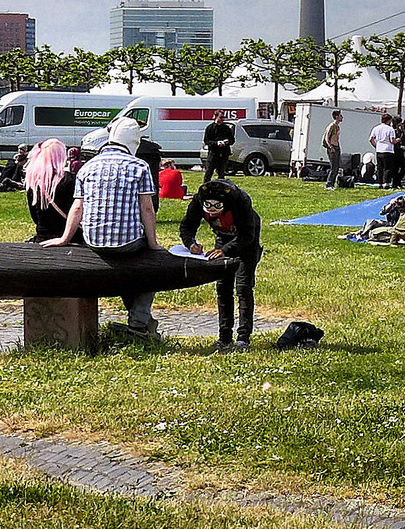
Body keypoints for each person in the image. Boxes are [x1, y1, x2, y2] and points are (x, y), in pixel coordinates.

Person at [43, 118, 161, 340]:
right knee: (151, 269)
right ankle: (139, 323)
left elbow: (77, 207)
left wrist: (64, 238)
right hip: (129, 242)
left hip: (94, 241)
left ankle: (143, 321)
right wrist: (153, 243)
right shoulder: (140, 166)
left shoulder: (88, 167)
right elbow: (147, 208)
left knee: (130, 266)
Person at [178, 176, 262, 351]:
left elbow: (248, 236)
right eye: (208, 208)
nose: (212, 212)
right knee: (222, 287)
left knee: (243, 287)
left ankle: (243, 338)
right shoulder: (198, 201)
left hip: (246, 240)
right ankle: (224, 337)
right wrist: (191, 244)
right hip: (223, 237)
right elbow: (186, 227)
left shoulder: (241, 201)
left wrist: (224, 251)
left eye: (217, 207)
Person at [23, 138, 76, 243]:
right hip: (70, 237)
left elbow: (35, 217)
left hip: (43, 237)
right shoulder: (70, 180)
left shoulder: (34, 183)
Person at [202, 113, 236, 182]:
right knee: (209, 172)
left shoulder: (226, 128)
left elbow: (232, 140)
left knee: (221, 173)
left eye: (223, 117)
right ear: (216, 117)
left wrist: (227, 142)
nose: (222, 119)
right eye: (220, 117)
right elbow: (207, 141)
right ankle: (205, 189)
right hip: (213, 153)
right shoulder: (210, 128)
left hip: (224, 153)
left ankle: (221, 188)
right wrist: (216, 143)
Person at [370, 113, 401, 188]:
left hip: (379, 150)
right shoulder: (390, 129)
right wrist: (398, 140)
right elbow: (392, 141)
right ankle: (386, 183)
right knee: (387, 168)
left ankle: (380, 183)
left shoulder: (376, 128)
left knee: (380, 168)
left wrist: (376, 146)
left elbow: (371, 139)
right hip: (388, 150)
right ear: (389, 121)